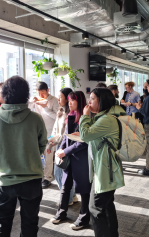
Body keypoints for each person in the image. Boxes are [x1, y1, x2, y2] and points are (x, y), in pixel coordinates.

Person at [0, 76, 47, 237]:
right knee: (30, 224)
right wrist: (29, 155)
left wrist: (0, 157)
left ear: (3, 95)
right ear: (26, 95)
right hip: (32, 179)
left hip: (5, 180)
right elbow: (42, 145)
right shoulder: (35, 119)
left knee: (1, 224)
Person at [79, 88, 125, 237]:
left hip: (105, 170)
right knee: (107, 206)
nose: (89, 102)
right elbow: (92, 134)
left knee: (94, 208)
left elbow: (86, 135)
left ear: (102, 101)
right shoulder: (104, 117)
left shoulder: (107, 119)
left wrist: (84, 116)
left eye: (92, 99)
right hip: (105, 168)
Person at [50, 91, 91, 230]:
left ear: (80, 101)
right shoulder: (71, 116)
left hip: (81, 159)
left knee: (84, 189)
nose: (70, 103)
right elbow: (67, 137)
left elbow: (83, 142)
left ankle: (84, 218)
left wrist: (65, 151)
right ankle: (61, 213)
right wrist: (61, 150)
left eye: (72, 100)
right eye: (69, 100)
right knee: (65, 186)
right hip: (69, 158)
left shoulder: (86, 118)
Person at [49, 88, 78, 206]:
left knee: (59, 173)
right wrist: (50, 141)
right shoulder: (60, 110)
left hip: (64, 147)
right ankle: (73, 196)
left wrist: (53, 141)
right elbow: (55, 129)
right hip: (58, 145)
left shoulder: (69, 114)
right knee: (64, 173)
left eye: (60, 97)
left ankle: (68, 199)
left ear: (67, 99)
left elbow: (65, 135)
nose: (58, 99)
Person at [29, 81, 59, 188]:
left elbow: (57, 117)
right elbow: (27, 110)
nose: (41, 96)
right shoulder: (36, 99)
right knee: (36, 155)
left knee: (48, 155)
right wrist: (32, 103)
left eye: (43, 93)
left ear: (48, 90)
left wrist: (46, 107)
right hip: (37, 131)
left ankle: (47, 178)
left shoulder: (54, 100)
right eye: (39, 93)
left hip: (50, 133)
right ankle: (37, 175)